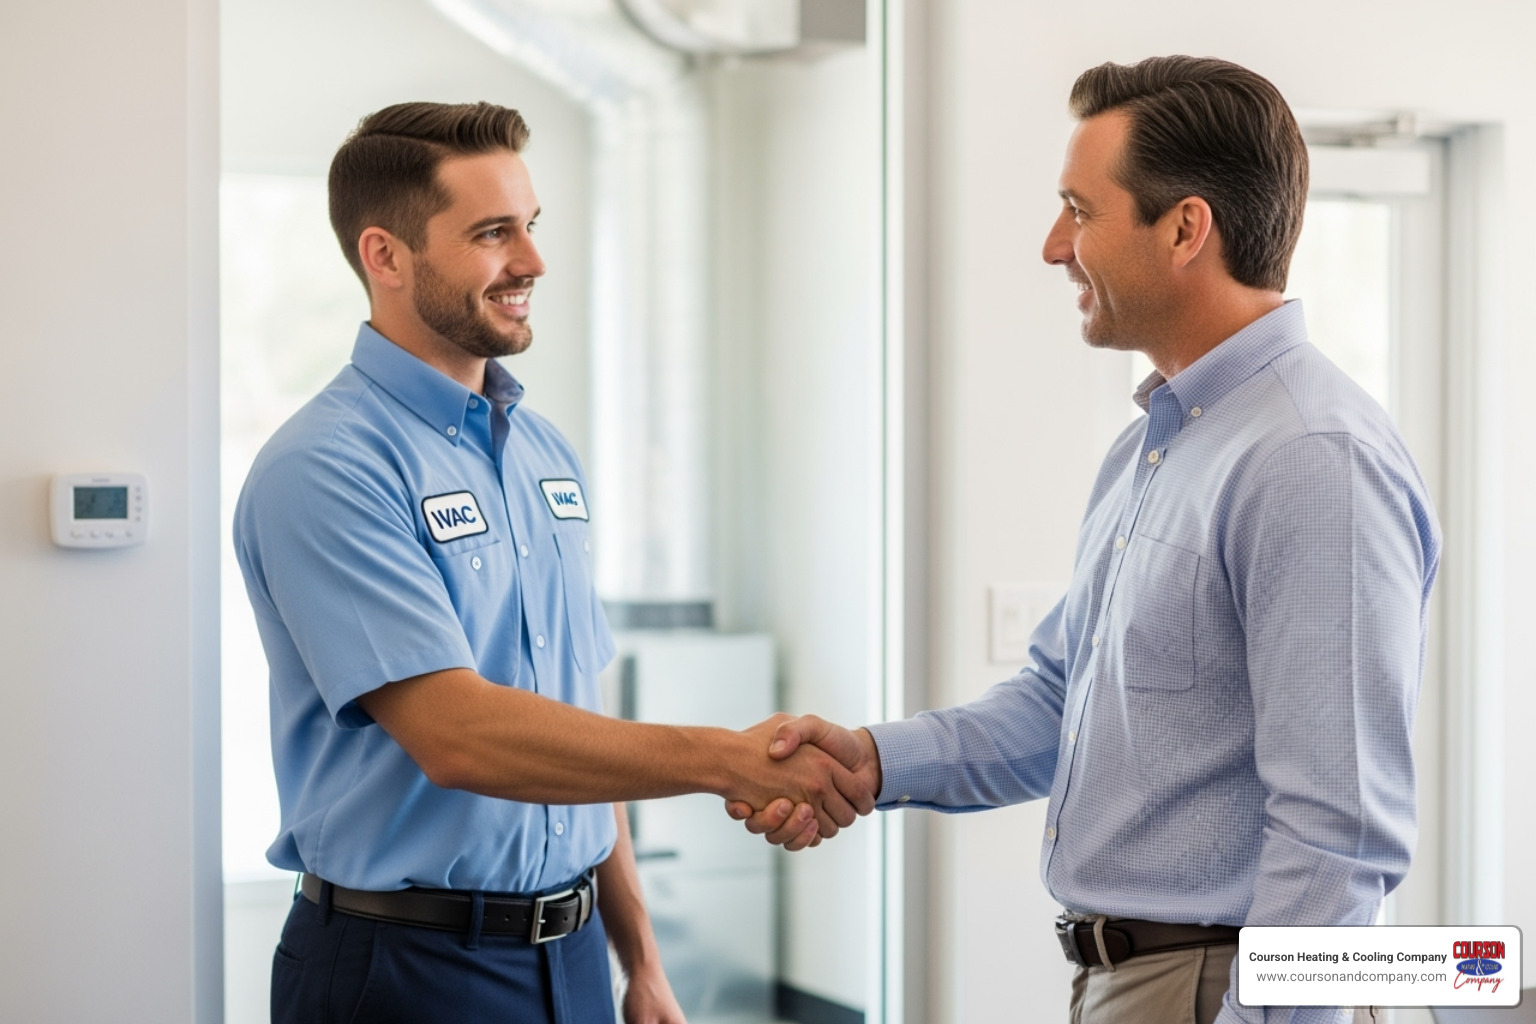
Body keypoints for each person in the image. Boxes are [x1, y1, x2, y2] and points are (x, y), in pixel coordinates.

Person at [731, 56, 1442, 1024]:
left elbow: (1340, 835)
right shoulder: (1156, 448)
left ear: (1186, 228)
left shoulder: (1313, 455)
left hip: (1220, 992)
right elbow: (1060, 704)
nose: (1053, 246)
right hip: (1131, 979)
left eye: (1079, 209)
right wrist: (871, 759)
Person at [233, 101, 873, 1024]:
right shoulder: (326, 468)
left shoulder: (543, 454)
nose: (532, 261)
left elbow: (577, 718)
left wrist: (641, 961)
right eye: (493, 234)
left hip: (570, 961)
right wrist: (725, 761)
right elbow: (459, 734)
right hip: (405, 969)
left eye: (530, 227)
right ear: (386, 256)